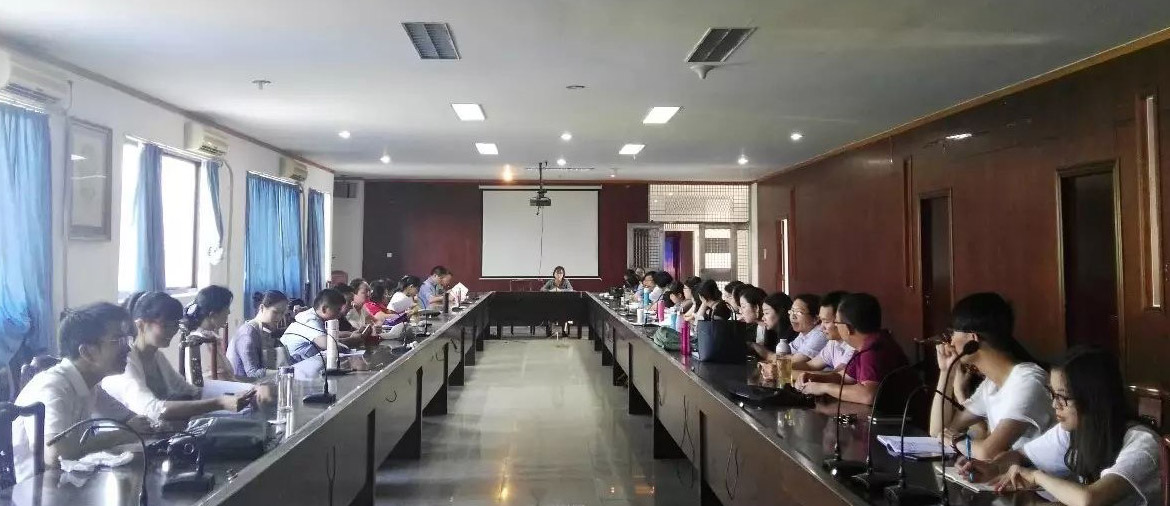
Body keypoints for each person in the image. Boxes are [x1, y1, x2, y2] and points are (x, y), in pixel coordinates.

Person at [956, 347, 1161, 506]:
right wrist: (992, 468)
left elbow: (1090, 500)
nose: (1055, 404)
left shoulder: (1142, 443)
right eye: (1053, 394)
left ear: (1093, 398)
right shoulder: (1072, 431)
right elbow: (1022, 455)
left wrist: (1036, 477)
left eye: (1063, 397)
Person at [12, 303, 149, 483]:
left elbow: (130, 419)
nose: (128, 348)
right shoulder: (53, 386)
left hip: (67, 482)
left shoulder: (90, 384)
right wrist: (122, 434)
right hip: (32, 490)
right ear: (86, 352)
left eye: (127, 339)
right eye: (118, 341)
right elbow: (55, 454)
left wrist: (142, 425)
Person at [930, 292, 1053, 459]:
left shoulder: (1028, 381)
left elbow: (988, 452)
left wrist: (954, 440)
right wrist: (946, 372)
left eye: (953, 333)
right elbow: (938, 431)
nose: (950, 342)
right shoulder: (991, 385)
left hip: (1040, 475)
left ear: (972, 339)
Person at [103, 292, 254, 424]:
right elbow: (152, 409)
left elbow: (191, 391)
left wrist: (249, 390)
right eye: (166, 325)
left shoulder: (156, 356)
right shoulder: (125, 362)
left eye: (175, 325)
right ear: (140, 325)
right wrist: (219, 403)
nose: (172, 331)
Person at [795, 293, 909, 406]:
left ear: (848, 328)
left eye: (837, 322)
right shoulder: (864, 345)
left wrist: (825, 388)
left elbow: (868, 395)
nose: (836, 326)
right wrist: (816, 378)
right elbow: (844, 377)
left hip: (893, 415)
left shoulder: (873, 349)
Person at [280, 288, 354, 365]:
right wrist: (352, 340)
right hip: (293, 366)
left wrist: (350, 334)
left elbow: (329, 335)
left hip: (303, 363)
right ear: (324, 309)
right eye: (338, 309)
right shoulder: (310, 320)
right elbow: (327, 344)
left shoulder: (316, 317)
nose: (340, 313)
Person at [229, 290, 288, 379]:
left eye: (282, 313)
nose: (280, 317)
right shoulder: (248, 333)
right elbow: (252, 373)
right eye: (275, 312)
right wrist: (285, 372)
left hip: (261, 383)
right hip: (243, 384)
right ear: (262, 308)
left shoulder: (266, 329)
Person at [183, 285, 236, 381]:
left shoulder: (209, 337)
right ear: (213, 315)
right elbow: (219, 380)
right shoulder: (201, 342)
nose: (229, 312)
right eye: (226, 308)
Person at [792, 291, 855, 373]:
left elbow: (838, 375)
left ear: (841, 319)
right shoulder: (833, 342)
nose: (821, 327)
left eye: (826, 322)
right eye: (821, 321)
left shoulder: (854, 345)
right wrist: (783, 366)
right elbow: (811, 365)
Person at [786, 294, 829, 364]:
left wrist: (768, 354)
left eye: (799, 312)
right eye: (792, 311)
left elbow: (795, 361)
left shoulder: (820, 334)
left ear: (815, 319)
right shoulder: (803, 333)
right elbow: (785, 353)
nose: (793, 316)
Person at [742, 287, 782, 357]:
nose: (740, 311)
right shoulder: (750, 328)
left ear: (756, 308)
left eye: (743, 306)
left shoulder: (774, 328)